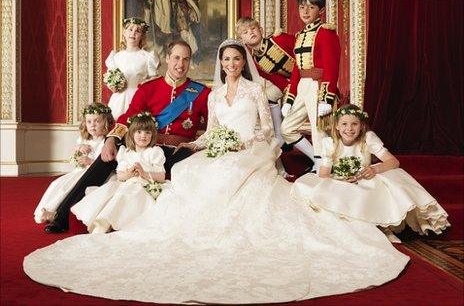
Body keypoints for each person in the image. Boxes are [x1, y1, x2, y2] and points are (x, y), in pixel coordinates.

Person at [24, 39, 409, 304]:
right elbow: (200, 130)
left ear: (242, 62)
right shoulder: (179, 90)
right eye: (225, 60)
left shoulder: (232, 92)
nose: (230, 65)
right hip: (169, 143)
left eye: (236, 60)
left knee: (210, 172)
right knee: (183, 170)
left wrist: (233, 143)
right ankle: (69, 213)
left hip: (244, 150)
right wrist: (189, 143)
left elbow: (261, 129)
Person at [43, 40, 209, 233]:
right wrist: (111, 140)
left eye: (186, 59)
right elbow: (126, 118)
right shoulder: (149, 88)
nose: (180, 64)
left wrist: (194, 145)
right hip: (144, 144)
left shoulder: (201, 93)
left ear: (190, 62)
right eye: (176, 58)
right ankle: (62, 215)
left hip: (176, 153)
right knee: (106, 159)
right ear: (167, 59)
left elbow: (211, 126)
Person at [291, 104, 451, 241]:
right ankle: (355, 228)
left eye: (354, 124)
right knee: (319, 188)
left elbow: (394, 162)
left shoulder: (367, 138)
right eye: (345, 124)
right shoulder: (330, 143)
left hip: (364, 181)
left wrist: (375, 169)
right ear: (337, 126)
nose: (349, 129)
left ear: (361, 126)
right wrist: (339, 180)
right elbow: (324, 174)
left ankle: (383, 226)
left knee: (388, 179)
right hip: (341, 181)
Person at [71, 112, 166, 234]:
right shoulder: (126, 152)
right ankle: (100, 221)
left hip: (145, 184)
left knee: (128, 194)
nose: (143, 136)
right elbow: (120, 176)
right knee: (109, 191)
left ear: (152, 135)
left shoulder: (155, 152)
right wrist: (130, 173)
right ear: (131, 134)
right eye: (139, 132)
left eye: (147, 132)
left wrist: (144, 173)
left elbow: (162, 176)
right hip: (127, 182)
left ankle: (107, 221)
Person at [281, 0, 341, 172]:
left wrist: (326, 99)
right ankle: (316, 160)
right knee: (287, 128)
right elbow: (296, 70)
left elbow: (331, 68)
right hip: (302, 86)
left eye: (311, 7)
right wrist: (289, 100)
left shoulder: (326, 32)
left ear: (321, 10)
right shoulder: (300, 35)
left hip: (319, 85)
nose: (305, 12)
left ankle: (322, 164)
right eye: (302, 8)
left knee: (320, 128)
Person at [33, 103, 114, 224]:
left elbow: (104, 165)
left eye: (97, 121)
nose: (93, 125)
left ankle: (56, 212)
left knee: (70, 186)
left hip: (93, 174)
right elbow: (73, 157)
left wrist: (89, 161)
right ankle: (49, 209)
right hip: (79, 171)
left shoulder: (106, 142)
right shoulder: (84, 140)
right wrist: (78, 151)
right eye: (89, 121)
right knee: (57, 184)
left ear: (106, 122)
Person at [237, 17, 299, 147]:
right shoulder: (255, 61)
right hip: (288, 82)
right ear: (242, 40)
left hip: (304, 75)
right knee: (266, 97)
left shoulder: (278, 39)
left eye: (253, 28)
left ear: (261, 30)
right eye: (245, 32)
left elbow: (301, 53)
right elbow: (275, 79)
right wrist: (288, 88)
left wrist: (293, 87)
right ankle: (279, 135)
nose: (251, 33)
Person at [105, 17, 160, 119]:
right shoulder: (116, 57)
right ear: (124, 33)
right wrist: (113, 86)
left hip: (138, 99)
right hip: (119, 99)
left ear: (142, 36)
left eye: (137, 31)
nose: (133, 33)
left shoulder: (147, 57)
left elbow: (154, 81)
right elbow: (110, 78)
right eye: (130, 29)